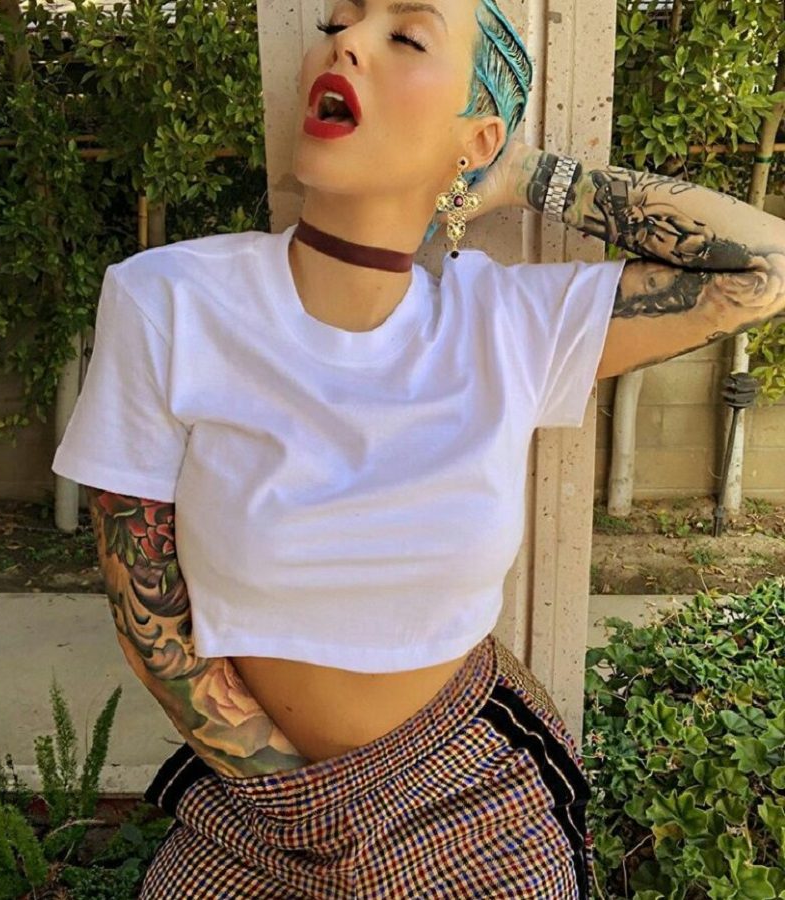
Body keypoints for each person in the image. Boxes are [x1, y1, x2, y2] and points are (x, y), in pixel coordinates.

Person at [51, 0, 785, 896]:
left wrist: (525, 175)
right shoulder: (169, 301)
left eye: (405, 37)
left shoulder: (507, 324)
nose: (346, 46)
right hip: (256, 813)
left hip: (476, 804)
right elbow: (147, 609)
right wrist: (299, 799)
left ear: (474, 138)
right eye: (336, 25)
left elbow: (766, 266)